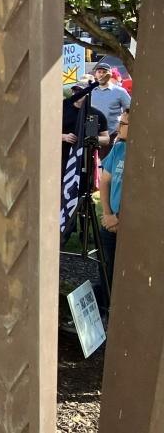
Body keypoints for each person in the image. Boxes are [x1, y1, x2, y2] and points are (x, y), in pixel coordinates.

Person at [96, 109, 128, 313]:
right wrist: (108, 214)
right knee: (106, 267)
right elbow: (105, 182)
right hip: (110, 223)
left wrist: (120, 219)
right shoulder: (118, 150)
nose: (118, 128)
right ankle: (103, 309)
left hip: (129, 226)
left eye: (124, 124)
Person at [89, 63, 132, 141]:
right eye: (99, 72)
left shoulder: (120, 91)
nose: (101, 74)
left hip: (112, 135)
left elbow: (130, 110)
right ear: (95, 74)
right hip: (92, 134)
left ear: (110, 74)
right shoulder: (89, 91)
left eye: (104, 72)